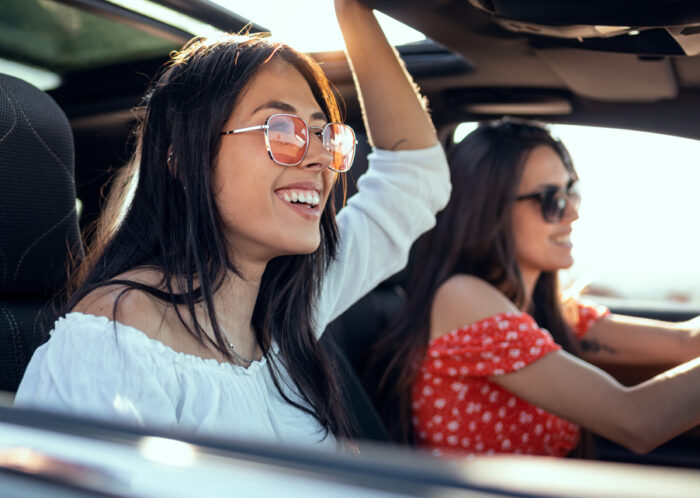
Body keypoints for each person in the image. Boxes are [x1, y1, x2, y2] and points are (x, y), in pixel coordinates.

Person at [14, 0, 451, 449]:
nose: (320, 157)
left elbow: (415, 180)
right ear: (184, 159)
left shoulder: (289, 312)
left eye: (323, 134)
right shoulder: (114, 340)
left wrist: (354, 14)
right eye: (281, 130)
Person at [370, 119, 700, 457]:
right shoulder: (462, 298)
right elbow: (638, 421)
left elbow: (684, 341)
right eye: (551, 199)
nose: (572, 213)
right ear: (490, 210)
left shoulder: (541, 312)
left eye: (572, 191)